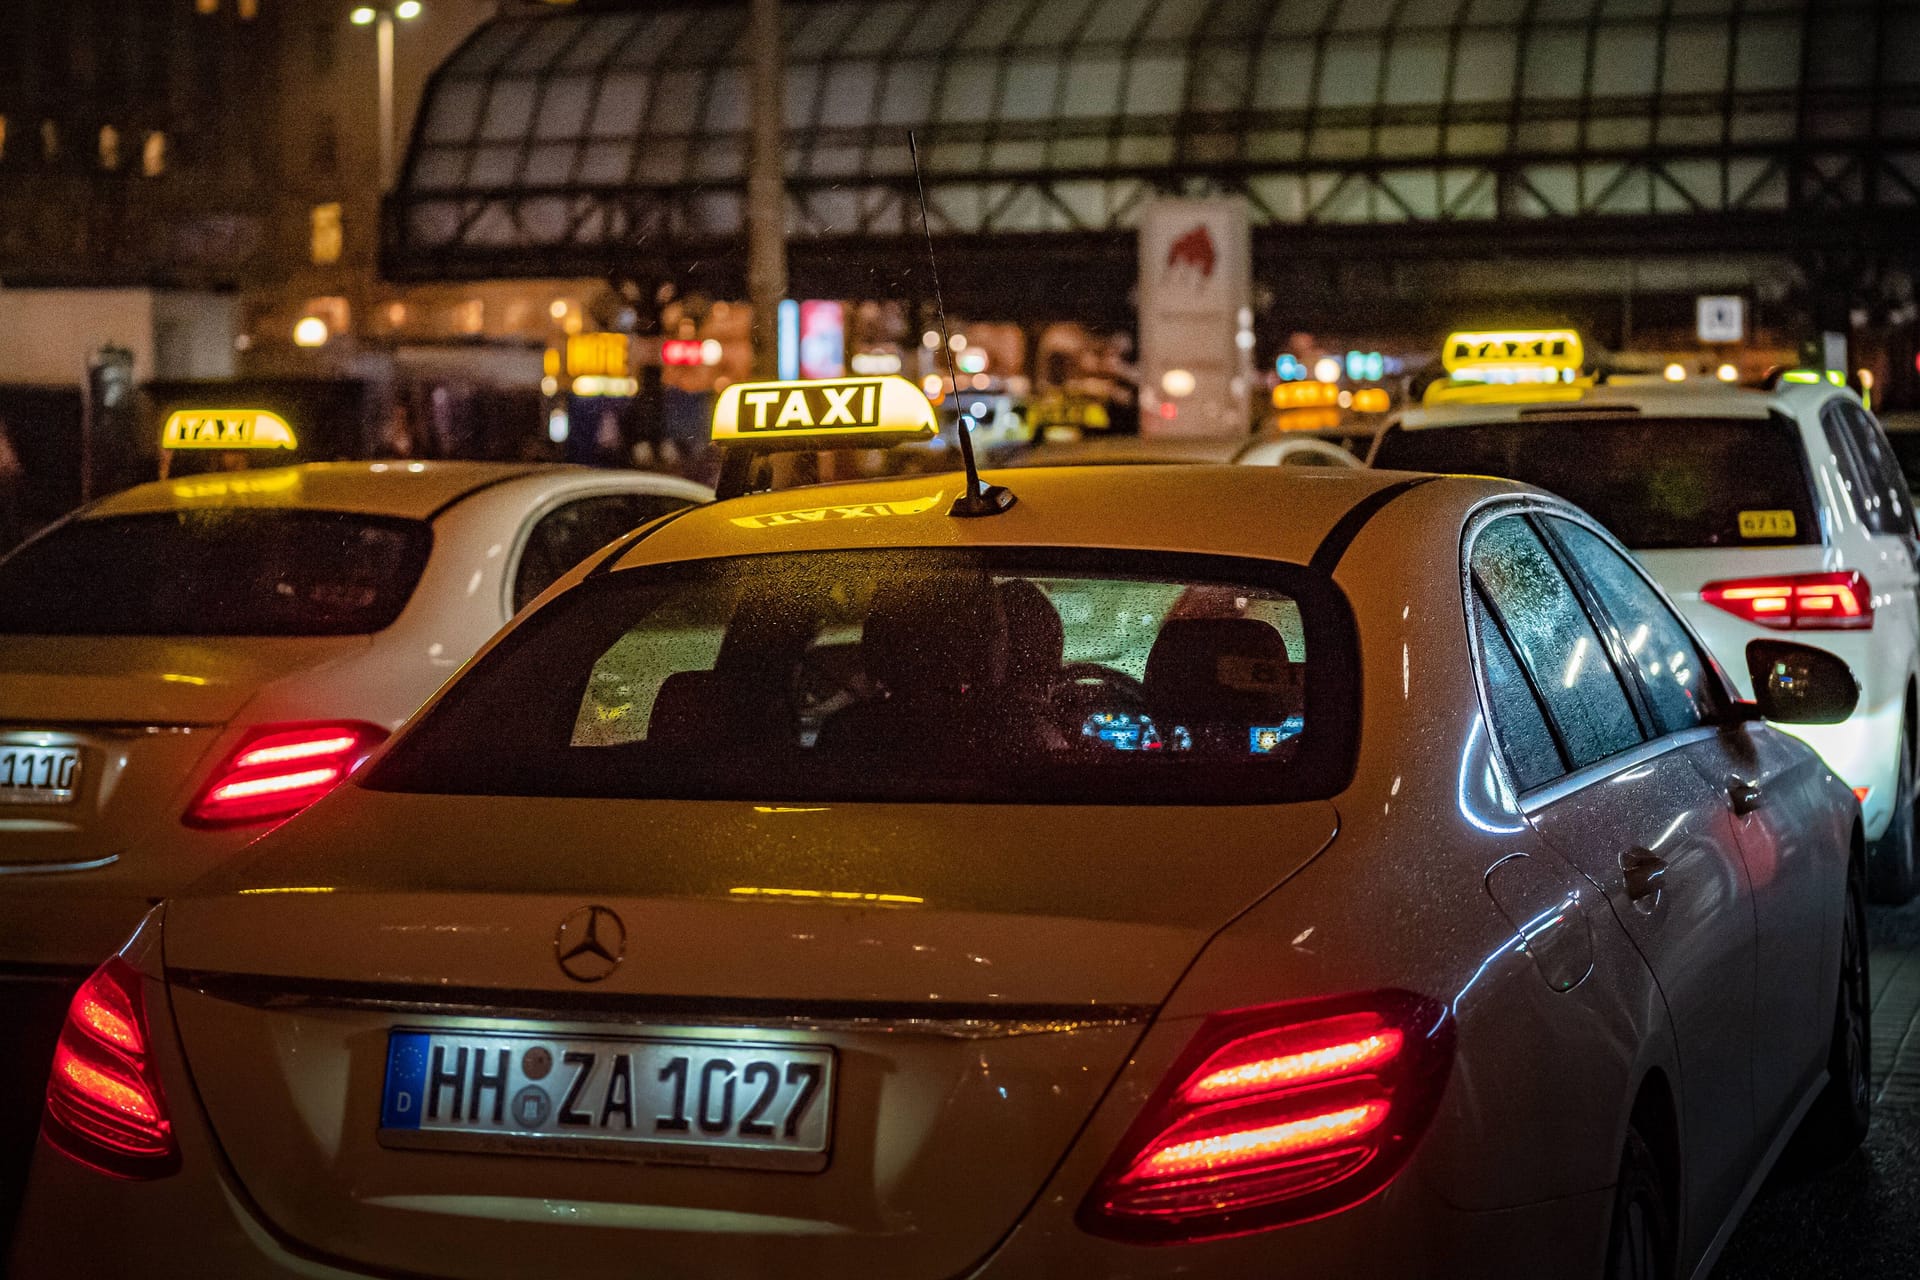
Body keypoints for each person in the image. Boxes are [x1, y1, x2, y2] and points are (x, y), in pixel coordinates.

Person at [0, 419, 25, 553]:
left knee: (10, 513)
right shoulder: (5, 439)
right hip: (7, 476)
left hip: (6, 477)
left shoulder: (4, 441)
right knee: (10, 513)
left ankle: (14, 546)